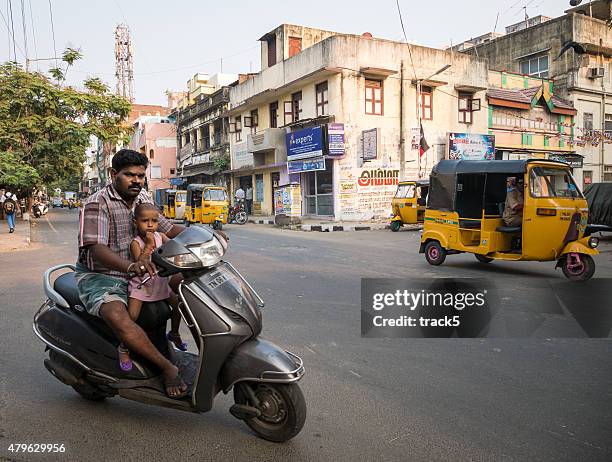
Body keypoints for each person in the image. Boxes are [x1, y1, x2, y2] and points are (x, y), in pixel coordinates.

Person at [76, 149, 188, 398]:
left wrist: (206, 237)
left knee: (184, 292)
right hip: (102, 277)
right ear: (113, 174)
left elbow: (168, 229)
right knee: (119, 315)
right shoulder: (97, 202)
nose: (136, 180)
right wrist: (130, 266)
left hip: (142, 274)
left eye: (140, 175)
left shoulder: (143, 197)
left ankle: (173, 338)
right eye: (129, 175)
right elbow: (96, 249)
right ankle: (167, 368)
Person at [116, 203, 187, 371]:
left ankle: (174, 333)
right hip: (141, 287)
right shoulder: (136, 242)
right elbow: (140, 263)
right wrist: (148, 246)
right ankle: (123, 348)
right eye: (144, 221)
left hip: (160, 284)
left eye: (154, 221)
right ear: (135, 223)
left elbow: (174, 247)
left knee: (178, 305)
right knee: (131, 317)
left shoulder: (160, 236)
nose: (149, 225)